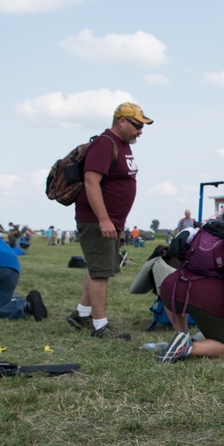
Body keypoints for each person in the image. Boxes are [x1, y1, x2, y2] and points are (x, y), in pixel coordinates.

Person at [66, 101, 152, 340]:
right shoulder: (105, 144)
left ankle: (81, 314)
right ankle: (99, 325)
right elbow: (91, 182)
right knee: (100, 273)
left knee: (98, 268)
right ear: (121, 121)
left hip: (112, 221)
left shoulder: (122, 145)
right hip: (96, 221)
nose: (140, 131)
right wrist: (103, 220)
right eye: (136, 125)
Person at [156, 219, 224, 361]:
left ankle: (181, 335)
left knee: (176, 297)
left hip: (170, 288)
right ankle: (187, 347)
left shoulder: (201, 239)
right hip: (206, 298)